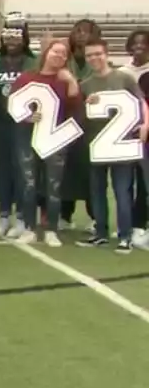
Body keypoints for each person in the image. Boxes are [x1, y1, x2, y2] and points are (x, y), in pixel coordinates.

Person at [79, 38, 147, 252]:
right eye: (90, 55)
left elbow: (141, 101)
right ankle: (100, 233)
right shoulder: (86, 83)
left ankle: (124, 236)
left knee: (122, 191)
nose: (94, 58)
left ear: (106, 54)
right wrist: (85, 104)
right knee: (97, 190)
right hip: (96, 143)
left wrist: (145, 123)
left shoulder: (123, 77)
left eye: (98, 53)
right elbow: (81, 113)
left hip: (121, 143)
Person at [10, 38, 79, 246]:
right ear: (46, 53)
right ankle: (29, 228)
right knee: (29, 184)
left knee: (53, 186)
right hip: (28, 137)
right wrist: (26, 116)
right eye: (55, 51)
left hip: (55, 138)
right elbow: (13, 104)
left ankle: (51, 230)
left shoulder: (64, 79)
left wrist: (72, 81)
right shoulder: (27, 77)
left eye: (63, 54)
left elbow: (75, 107)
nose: (58, 56)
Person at [0, 14, 36, 237]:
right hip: (0, 124)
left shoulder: (32, 62)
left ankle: (23, 218)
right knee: (4, 170)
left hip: (24, 125)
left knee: (22, 171)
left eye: (17, 38)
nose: (12, 43)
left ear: (24, 39)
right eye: (8, 38)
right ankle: (4, 215)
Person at [60, 19, 101, 230]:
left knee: (91, 174)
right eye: (78, 31)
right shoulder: (64, 61)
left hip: (92, 127)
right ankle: (65, 215)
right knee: (66, 171)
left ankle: (95, 217)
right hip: (66, 122)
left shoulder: (98, 63)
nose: (81, 35)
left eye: (87, 31)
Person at [120, 29, 149, 249]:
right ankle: (128, 224)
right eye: (135, 43)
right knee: (125, 182)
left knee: (145, 182)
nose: (139, 46)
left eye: (144, 43)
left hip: (146, 133)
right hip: (125, 134)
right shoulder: (122, 72)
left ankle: (141, 224)